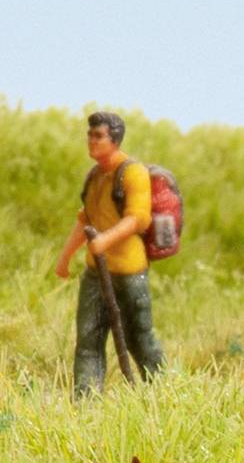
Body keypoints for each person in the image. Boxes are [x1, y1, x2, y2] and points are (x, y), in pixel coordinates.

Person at [55, 110, 164, 395]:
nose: (91, 141)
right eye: (89, 135)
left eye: (98, 136)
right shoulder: (94, 176)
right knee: (88, 339)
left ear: (114, 139)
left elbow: (138, 218)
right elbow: (85, 220)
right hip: (95, 273)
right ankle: (86, 404)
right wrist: (65, 257)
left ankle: (165, 393)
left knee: (139, 337)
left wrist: (105, 240)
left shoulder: (133, 173)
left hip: (129, 272)